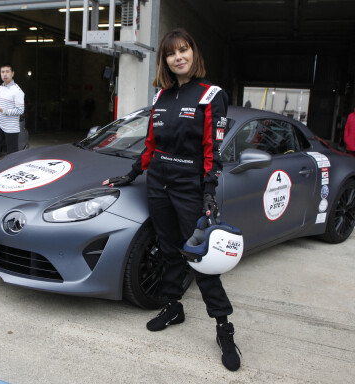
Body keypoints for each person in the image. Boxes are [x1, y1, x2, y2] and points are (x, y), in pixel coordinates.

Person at [102, 28, 241, 371]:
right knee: (167, 249)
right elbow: (151, 145)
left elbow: (213, 149)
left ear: (194, 53)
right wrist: (132, 174)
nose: (178, 57)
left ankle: (224, 327)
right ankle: (173, 306)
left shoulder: (212, 95)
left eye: (184, 50)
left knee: (200, 257)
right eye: (171, 53)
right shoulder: (161, 96)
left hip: (188, 186)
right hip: (158, 182)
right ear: (164, 60)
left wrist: (208, 191)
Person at [0, 63, 25, 163]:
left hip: (11, 127)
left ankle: (11, 174)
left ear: (12, 74)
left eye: (7, 72)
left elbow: (20, 110)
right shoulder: (1, 88)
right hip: (0, 123)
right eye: (2, 72)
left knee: (12, 155)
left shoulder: (17, 91)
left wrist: (4, 111)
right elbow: (1, 102)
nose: (5, 74)